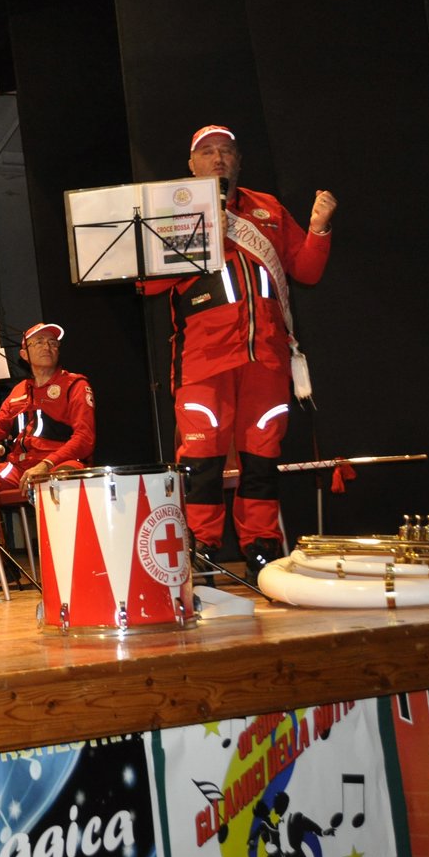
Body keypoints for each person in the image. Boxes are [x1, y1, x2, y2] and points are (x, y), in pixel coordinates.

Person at [141, 125, 336, 578]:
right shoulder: (174, 210)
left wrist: (318, 230)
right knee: (202, 461)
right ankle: (202, 548)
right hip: (203, 360)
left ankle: (261, 548)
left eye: (226, 151)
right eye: (207, 153)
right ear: (191, 164)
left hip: (267, 360)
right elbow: (148, 283)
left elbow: (305, 271)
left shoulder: (266, 208)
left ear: (239, 160)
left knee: (261, 459)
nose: (218, 159)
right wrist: (196, 232)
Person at [0, 323, 95, 489]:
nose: (47, 347)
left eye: (52, 342)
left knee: (61, 480)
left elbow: (85, 438)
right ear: (24, 355)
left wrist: (47, 463)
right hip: (19, 467)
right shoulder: (19, 390)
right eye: (39, 342)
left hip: (58, 463)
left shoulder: (75, 384)